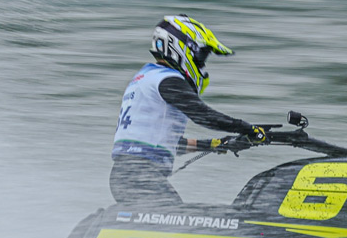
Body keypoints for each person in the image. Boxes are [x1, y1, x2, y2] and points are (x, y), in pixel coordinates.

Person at [109, 14, 267, 205]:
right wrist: (249, 129)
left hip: (128, 175)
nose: (202, 64)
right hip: (140, 176)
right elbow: (204, 116)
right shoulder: (168, 80)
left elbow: (166, 143)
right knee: (177, 225)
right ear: (182, 48)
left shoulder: (146, 77)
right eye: (201, 57)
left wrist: (213, 144)